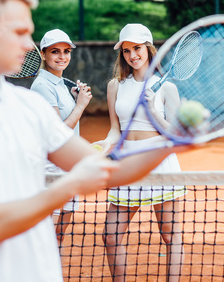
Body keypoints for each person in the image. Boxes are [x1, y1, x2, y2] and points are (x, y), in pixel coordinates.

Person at [0, 0, 190, 282]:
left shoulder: (28, 107)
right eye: (20, 31)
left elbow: (104, 170)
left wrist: (176, 143)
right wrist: (69, 186)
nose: (30, 45)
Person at [94, 24, 187, 282]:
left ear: (148, 48)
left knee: (169, 234)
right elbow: (115, 130)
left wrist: (155, 112)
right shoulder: (115, 86)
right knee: (111, 234)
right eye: (126, 51)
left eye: (137, 48)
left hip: (159, 162)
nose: (132, 55)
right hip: (127, 164)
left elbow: (176, 134)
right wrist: (103, 146)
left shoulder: (167, 88)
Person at [30, 29, 92, 244]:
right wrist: (81, 105)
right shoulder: (42, 86)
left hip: (66, 165)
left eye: (66, 51)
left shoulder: (61, 84)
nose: (62, 57)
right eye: (55, 51)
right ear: (44, 54)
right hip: (49, 168)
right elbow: (58, 132)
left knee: (57, 235)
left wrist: (75, 99)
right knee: (43, 235)